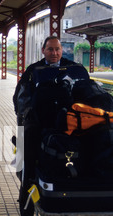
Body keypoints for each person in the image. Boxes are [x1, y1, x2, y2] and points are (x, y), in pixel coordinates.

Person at [12, 36, 89, 189]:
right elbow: (20, 96)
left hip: (68, 116)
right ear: (43, 51)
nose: (54, 53)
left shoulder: (74, 68)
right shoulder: (33, 70)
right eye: (50, 49)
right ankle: (28, 182)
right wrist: (26, 113)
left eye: (57, 49)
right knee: (29, 136)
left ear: (62, 50)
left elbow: (86, 90)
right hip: (40, 117)